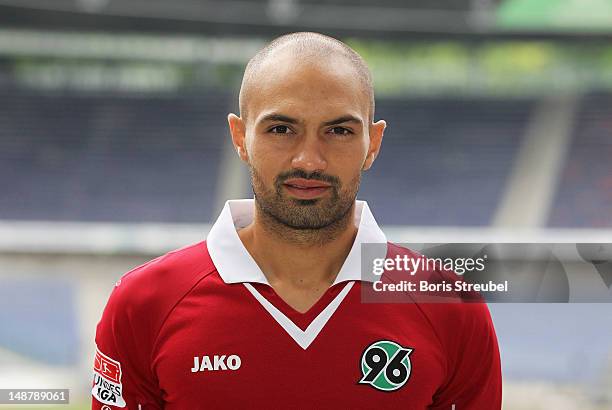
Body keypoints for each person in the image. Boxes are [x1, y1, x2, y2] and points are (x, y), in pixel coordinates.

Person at [92, 31, 502, 409]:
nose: (309, 159)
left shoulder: (450, 307)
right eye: (281, 128)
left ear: (372, 143)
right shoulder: (144, 303)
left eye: (338, 131)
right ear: (241, 138)